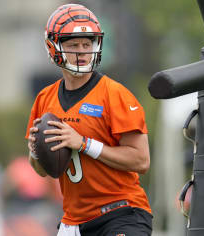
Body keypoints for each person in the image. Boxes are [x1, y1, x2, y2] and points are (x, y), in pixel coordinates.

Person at [25, 4, 152, 236]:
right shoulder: (45, 98)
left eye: (87, 44)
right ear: (53, 47)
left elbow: (141, 160)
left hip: (121, 214)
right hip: (74, 221)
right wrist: (35, 151)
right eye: (74, 45)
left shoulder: (115, 94)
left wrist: (84, 143)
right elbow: (44, 171)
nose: (82, 51)